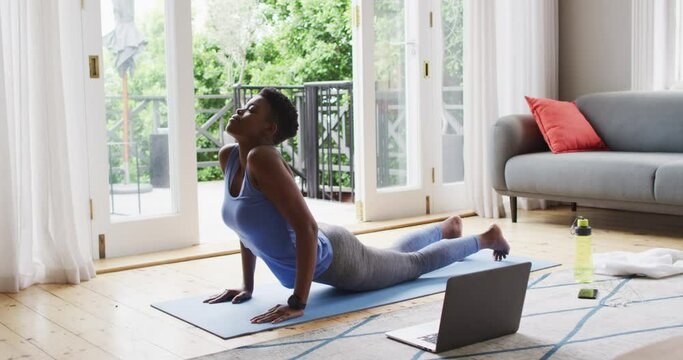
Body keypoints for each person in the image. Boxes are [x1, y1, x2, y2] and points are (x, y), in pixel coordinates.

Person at [204, 87, 511, 324]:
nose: (240, 110)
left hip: (339, 261)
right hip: (323, 241)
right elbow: (245, 226)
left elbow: (307, 227)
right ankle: (446, 228)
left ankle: (486, 238)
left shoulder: (263, 158)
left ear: (268, 129)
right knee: (391, 255)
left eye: (251, 110)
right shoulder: (230, 157)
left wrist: (297, 302)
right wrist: (247, 285)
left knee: (413, 265)